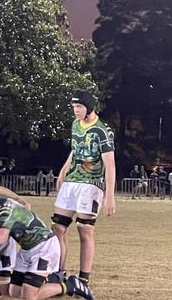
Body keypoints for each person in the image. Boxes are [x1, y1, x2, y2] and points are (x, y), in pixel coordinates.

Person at [52, 90, 115, 287]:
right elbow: (75, 148)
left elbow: (110, 164)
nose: (75, 111)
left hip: (90, 184)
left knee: (84, 231)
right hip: (72, 181)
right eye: (74, 107)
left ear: (89, 108)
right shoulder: (75, 125)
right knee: (58, 228)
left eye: (79, 107)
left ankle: (83, 280)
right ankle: (58, 273)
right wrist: (63, 171)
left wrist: (109, 196)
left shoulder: (103, 131)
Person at [0, 196, 93, 300]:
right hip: (27, 249)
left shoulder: (3, 209)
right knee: (14, 293)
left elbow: (1, 238)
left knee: (30, 297)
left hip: (44, 247)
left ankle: (70, 285)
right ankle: (50, 280)